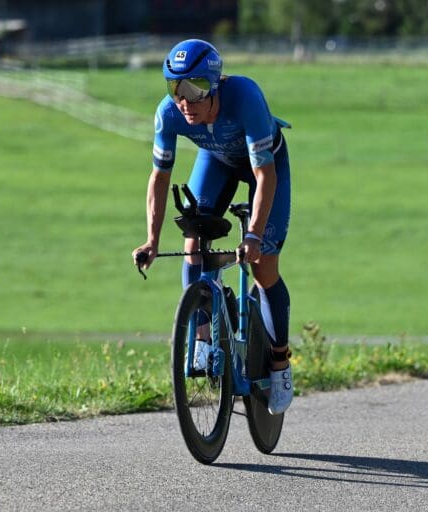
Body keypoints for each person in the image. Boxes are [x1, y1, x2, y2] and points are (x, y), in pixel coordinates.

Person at [132, 39, 294, 414]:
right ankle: (203, 339)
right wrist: (152, 240)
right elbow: (159, 178)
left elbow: (263, 174)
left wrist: (253, 234)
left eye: (195, 89)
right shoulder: (169, 114)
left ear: (215, 85)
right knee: (193, 243)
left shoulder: (245, 97)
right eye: (175, 89)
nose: (185, 101)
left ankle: (281, 363)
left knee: (263, 264)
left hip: (266, 167)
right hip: (217, 160)